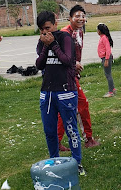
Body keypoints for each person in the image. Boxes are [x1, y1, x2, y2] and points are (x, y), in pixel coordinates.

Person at [35, 11, 85, 175]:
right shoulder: (42, 41)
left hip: (66, 92)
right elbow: (39, 65)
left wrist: (53, 45)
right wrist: (45, 47)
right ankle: (55, 161)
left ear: (54, 24)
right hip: (47, 92)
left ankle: (77, 162)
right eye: (42, 30)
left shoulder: (65, 38)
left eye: (47, 28)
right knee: (50, 131)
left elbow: (67, 60)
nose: (45, 33)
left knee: (71, 129)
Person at [57, 5, 100, 151]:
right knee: (81, 104)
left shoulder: (79, 32)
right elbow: (58, 55)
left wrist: (76, 69)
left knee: (68, 107)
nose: (81, 18)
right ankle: (88, 138)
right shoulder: (64, 34)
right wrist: (72, 64)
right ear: (70, 18)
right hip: (64, 76)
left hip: (71, 75)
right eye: (77, 16)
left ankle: (57, 140)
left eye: (83, 16)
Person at [97, 24, 115, 98]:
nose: (97, 31)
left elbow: (108, 50)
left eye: (97, 30)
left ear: (100, 31)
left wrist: (106, 60)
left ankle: (111, 92)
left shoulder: (104, 38)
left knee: (108, 75)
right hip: (104, 58)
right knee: (108, 74)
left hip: (106, 58)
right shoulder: (102, 37)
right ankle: (113, 89)